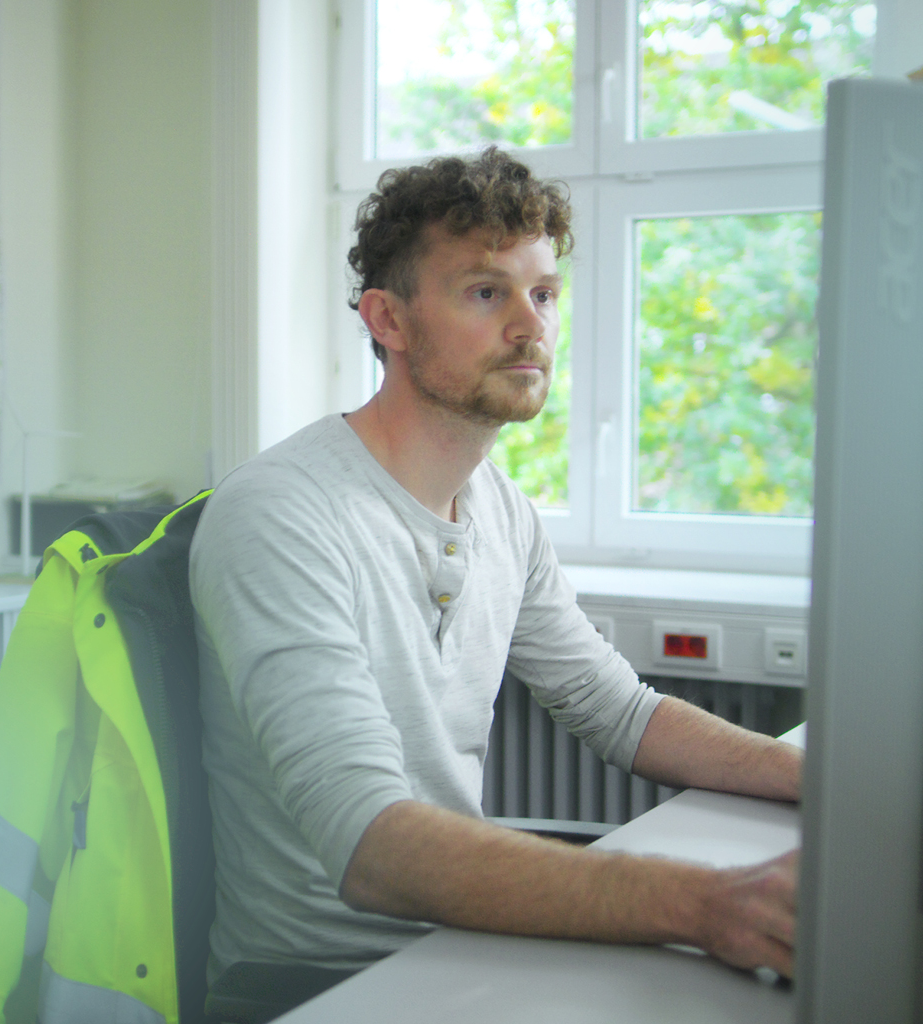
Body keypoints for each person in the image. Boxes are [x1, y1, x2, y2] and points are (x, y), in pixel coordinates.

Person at [189, 146, 802, 991]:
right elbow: (371, 843)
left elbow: (620, 711)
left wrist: (823, 783)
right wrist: (702, 905)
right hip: (315, 983)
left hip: (455, 947)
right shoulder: (282, 513)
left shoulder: (499, 506)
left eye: (543, 293)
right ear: (388, 321)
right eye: (487, 292)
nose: (531, 325)